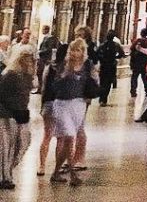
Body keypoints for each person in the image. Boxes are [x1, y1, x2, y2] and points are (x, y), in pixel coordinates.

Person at [42, 38, 92, 186]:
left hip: (78, 105)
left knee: (68, 139)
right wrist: (64, 78)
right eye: (73, 49)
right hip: (62, 104)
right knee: (69, 137)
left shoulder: (87, 65)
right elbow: (54, 85)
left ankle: (56, 171)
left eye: (78, 50)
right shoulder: (63, 65)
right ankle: (72, 173)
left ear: (83, 52)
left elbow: (91, 83)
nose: (75, 53)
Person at [0, 48, 34, 188]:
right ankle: (5, 177)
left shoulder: (27, 75)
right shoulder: (10, 74)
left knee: (23, 142)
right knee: (6, 146)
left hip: (21, 112)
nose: (29, 61)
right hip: (6, 113)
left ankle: (8, 171)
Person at [96, 30, 124, 106]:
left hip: (104, 65)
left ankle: (101, 98)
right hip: (112, 65)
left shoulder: (102, 45)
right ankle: (104, 99)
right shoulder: (116, 45)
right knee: (108, 83)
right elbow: (122, 54)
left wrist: (101, 59)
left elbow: (97, 53)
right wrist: (115, 57)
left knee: (102, 82)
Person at [129, 28, 147, 99]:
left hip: (136, 62)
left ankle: (133, 91)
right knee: (145, 78)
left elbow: (131, 49)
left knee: (134, 77)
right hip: (145, 63)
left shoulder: (137, 41)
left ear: (141, 33)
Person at [35, 26, 59, 93]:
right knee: (39, 73)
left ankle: (42, 88)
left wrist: (40, 52)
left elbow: (49, 49)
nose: (42, 31)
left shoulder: (50, 38)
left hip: (45, 58)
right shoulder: (45, 37)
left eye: (43, 29)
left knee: (42, 73)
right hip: (41, 58)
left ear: (46, 30)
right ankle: (39, 88)